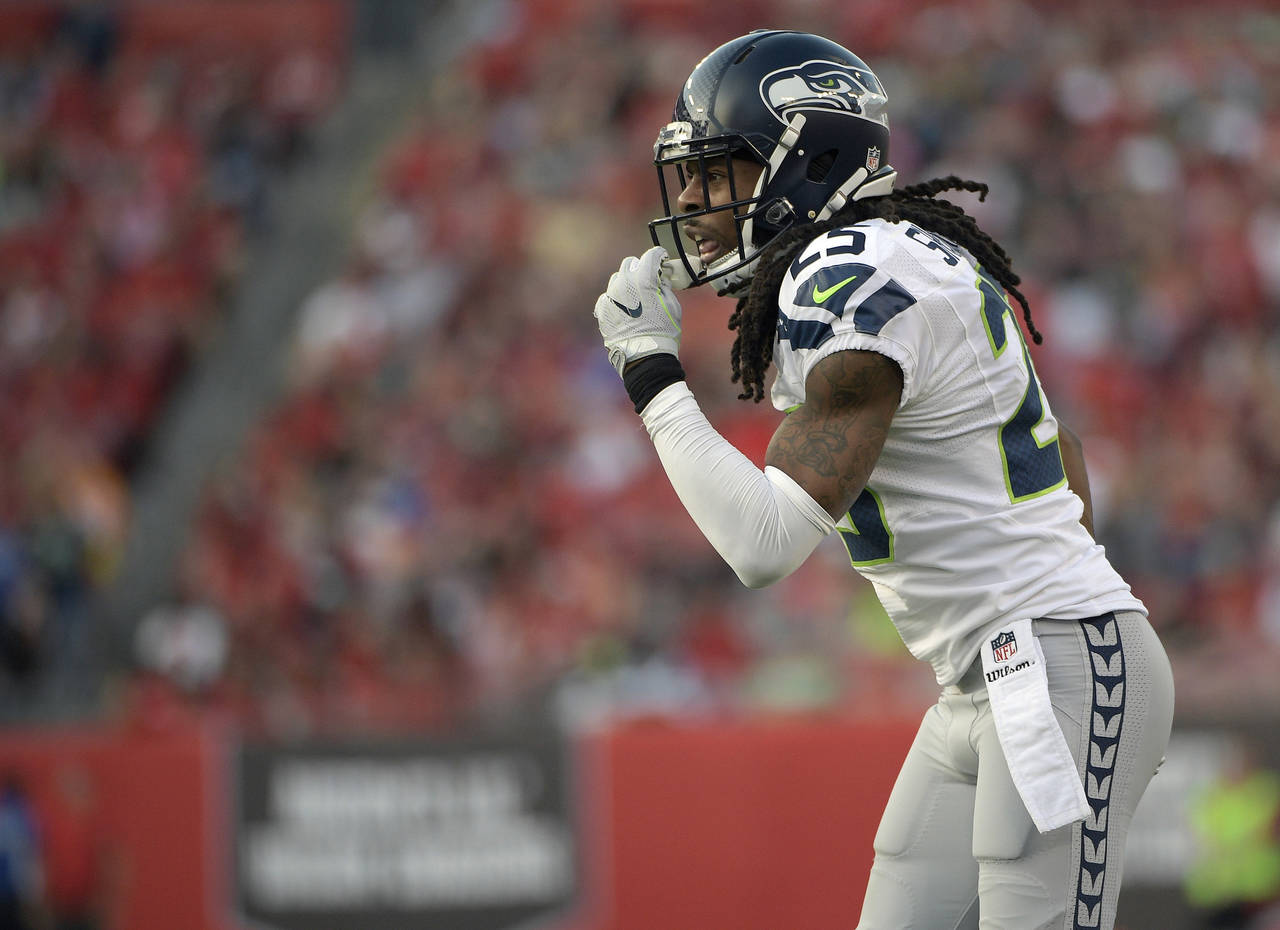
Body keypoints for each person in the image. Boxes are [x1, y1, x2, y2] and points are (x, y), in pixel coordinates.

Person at [592, 29, 1175, 930]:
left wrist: (649, 372)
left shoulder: (851, 280)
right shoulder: (898, 257)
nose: (696, 201)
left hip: (1051, 665)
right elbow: (1061, 455)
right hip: (997, 673)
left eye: (717, 171)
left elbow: (762, 545)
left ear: (809, 162)